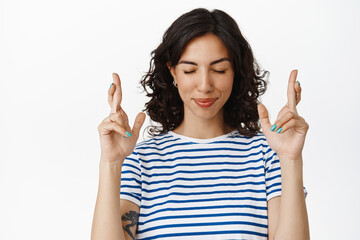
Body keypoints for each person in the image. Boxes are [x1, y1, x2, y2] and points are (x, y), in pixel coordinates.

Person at [91, 8, 310, 240]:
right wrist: (110, 163)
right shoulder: (141, 160)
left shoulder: (267, 155)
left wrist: (291, 160)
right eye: (190, 70)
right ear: (172, 71)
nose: (205, 85)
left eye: (219, 69)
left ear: (235, 71)